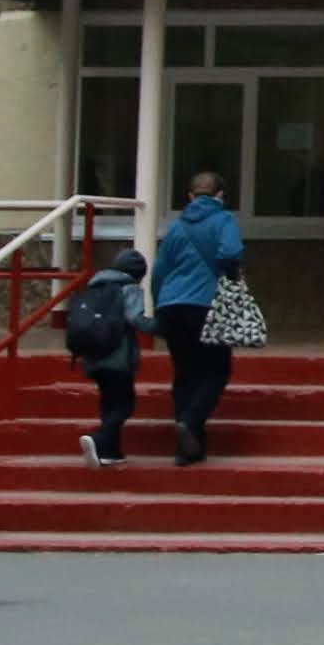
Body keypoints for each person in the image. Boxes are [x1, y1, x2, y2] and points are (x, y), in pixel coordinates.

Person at [147, 169, 249, 463]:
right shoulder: (224, 220)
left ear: (191, 196)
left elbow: (159, 271)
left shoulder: (176, 227)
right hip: (206, 305)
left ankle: (188, 450)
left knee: (185, 374)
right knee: (217, 369)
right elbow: (230, 253)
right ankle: (190, 423)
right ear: (220, 195)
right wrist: (231, 273)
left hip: (171, 305)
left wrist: (159, 308)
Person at [61, 240, 148, 464]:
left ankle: (111, 451)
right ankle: (99, 439)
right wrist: (161, 327)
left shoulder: (94, 285)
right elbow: (135, 318)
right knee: (124, 404)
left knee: (108, 401)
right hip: (118, 358)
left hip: (92, 356)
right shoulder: (129, 288)